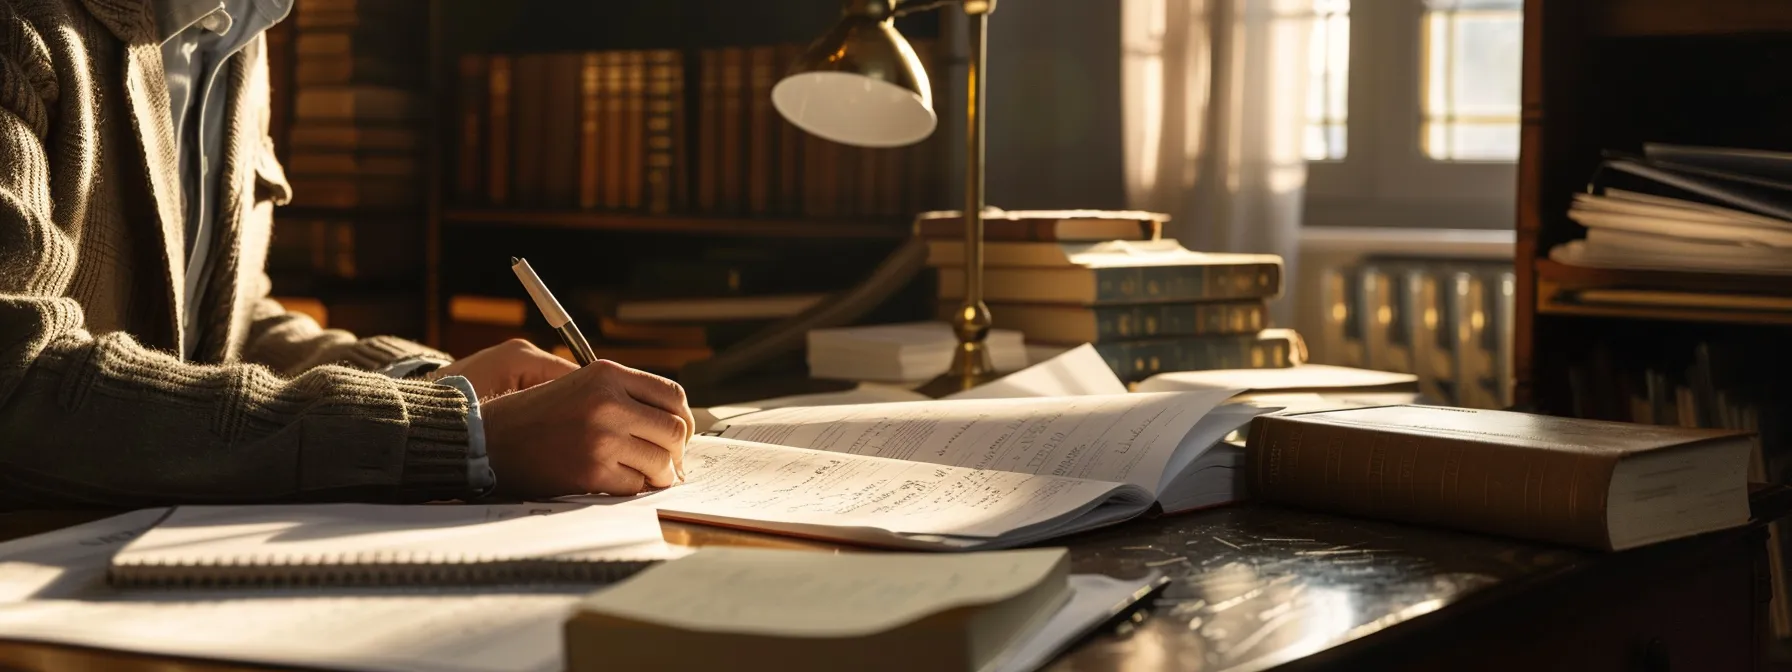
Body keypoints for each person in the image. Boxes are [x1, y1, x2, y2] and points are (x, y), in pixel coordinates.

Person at [0, 0, 692, 507]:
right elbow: (17, 378)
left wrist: (427, 379)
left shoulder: (242, 30)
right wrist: (460, 436)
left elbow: (222, 335)